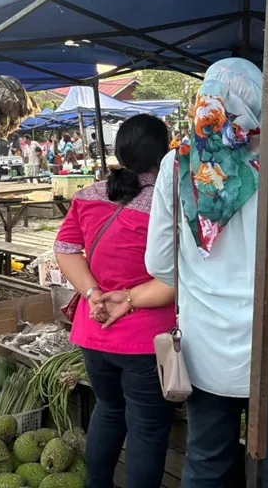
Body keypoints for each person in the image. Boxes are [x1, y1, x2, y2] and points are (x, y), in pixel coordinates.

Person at [111, 59, 268, 488]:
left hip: (208, 356)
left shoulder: (176, 167)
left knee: (205, 463)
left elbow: (160, 267)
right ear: (259, 103)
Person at [54, 114, 176, 488]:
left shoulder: (88, 195)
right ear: (165, 151)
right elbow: (182, 274)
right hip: (145, 340)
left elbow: (65, 248)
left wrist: (92, 293)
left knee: (109, 411)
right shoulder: (170, 201)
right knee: (148, 427)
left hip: (94, 332)